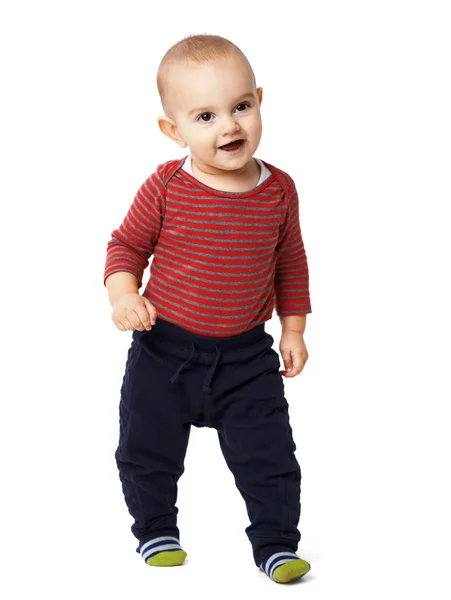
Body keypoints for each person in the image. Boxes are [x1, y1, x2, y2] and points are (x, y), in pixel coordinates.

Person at [103, 33, 312, 585]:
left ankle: (275, 544)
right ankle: (155, 529)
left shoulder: (280, 191)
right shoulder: (168, 185)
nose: (229, 126)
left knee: (270, 457)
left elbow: (290, 263)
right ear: (173, 130)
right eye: (205, 115)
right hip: (164, 349)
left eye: (241, 106)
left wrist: (294, 328)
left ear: (260, 101)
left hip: (246, 357)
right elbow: (125, 246)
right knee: (145, 447)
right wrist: (125, 295)